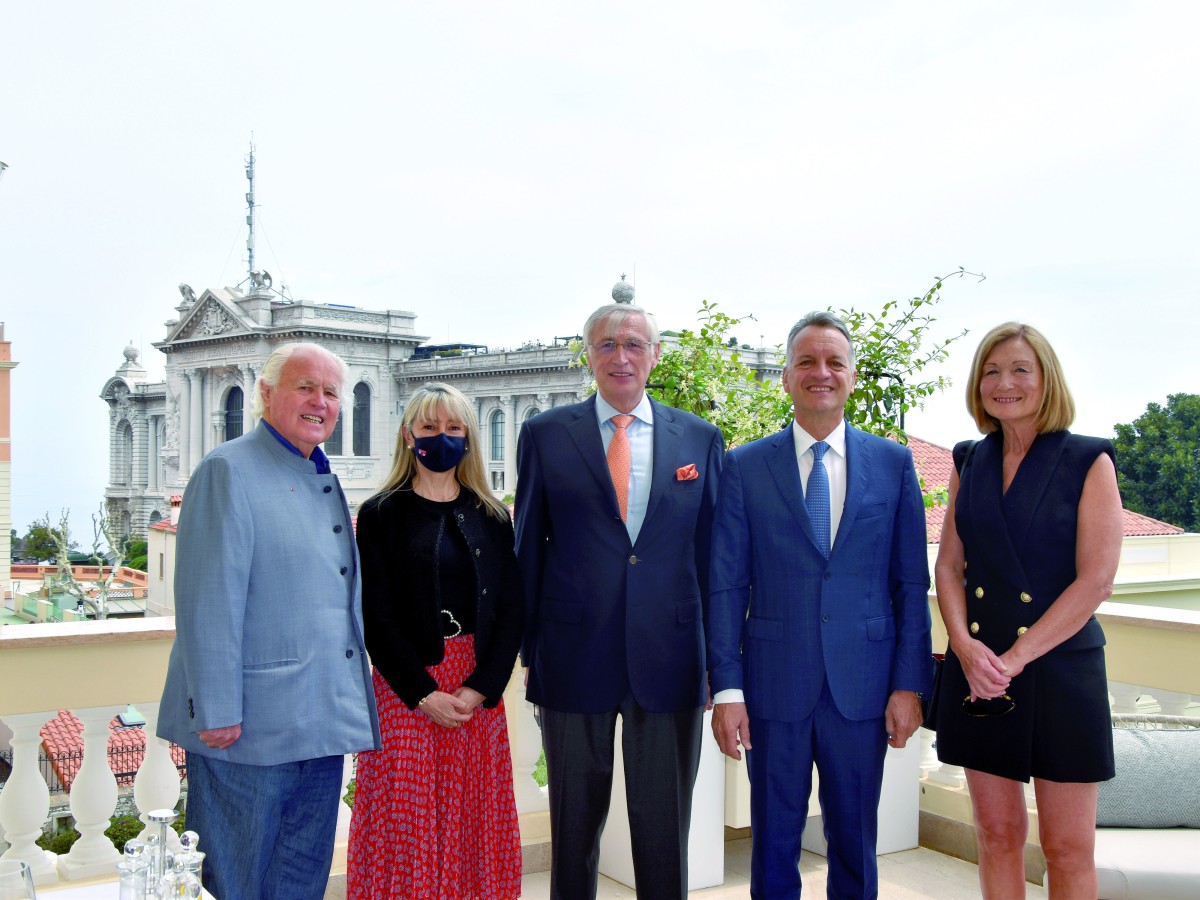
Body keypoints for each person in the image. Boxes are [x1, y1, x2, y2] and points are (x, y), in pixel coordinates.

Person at [707, 310, 932, 899]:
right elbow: (727, 586)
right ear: (786, 377)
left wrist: (910, 684)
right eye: (806, 361)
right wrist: (727, 690)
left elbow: (911, 584)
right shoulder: (745, 466)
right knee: (774, 845)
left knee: (855, 842)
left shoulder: (893, 463)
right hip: (773, 686)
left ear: (853, 377)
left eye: (834, 361)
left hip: (863, 688)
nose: (821, 372)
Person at [515, 301, 724, 899]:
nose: (621, 356)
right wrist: (532, 652)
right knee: (574, 828)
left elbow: (713, 559)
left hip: (672, 658)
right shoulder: (545, 436)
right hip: (572, 656)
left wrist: (717, 662)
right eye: (607, 344)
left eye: (634, 344)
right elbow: (528, 548)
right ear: (589, 356)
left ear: (654, 355)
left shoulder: (701, 439)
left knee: (664, 833)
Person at [158, 342, 380, 900]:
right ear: (266, 392)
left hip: (318, 724)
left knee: (301, 879)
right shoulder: (227, 470)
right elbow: (209, 601)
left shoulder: (318, 474)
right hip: (247, 730)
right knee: (236, 880)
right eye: (306, 387)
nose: (320, 402)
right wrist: (216, 710)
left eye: (331, 392)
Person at [930, 323, 1123, 896]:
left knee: (1066, 849)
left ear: (1046, 380)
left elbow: (1097, 581)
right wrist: (964, 646)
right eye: (991, 371)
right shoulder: (970, 460)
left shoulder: (1088, 459)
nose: (1003, 383)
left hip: (1059, 672)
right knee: (996, 833)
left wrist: (1015, 657)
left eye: (1020, 370)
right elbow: (948, 566)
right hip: (980, 671)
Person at [347, 381, 523, 899]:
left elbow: (512, 611)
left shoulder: (492, 515)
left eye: (452, 427)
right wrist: (422, 693)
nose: (440, 437)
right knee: (405, 816)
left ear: (467, 437)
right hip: (408, 688)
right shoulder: (381, 513)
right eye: (428, 427)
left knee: (474, 814)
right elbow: (375, 615)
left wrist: (480, 688)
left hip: (475, 687)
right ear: (408, 436)